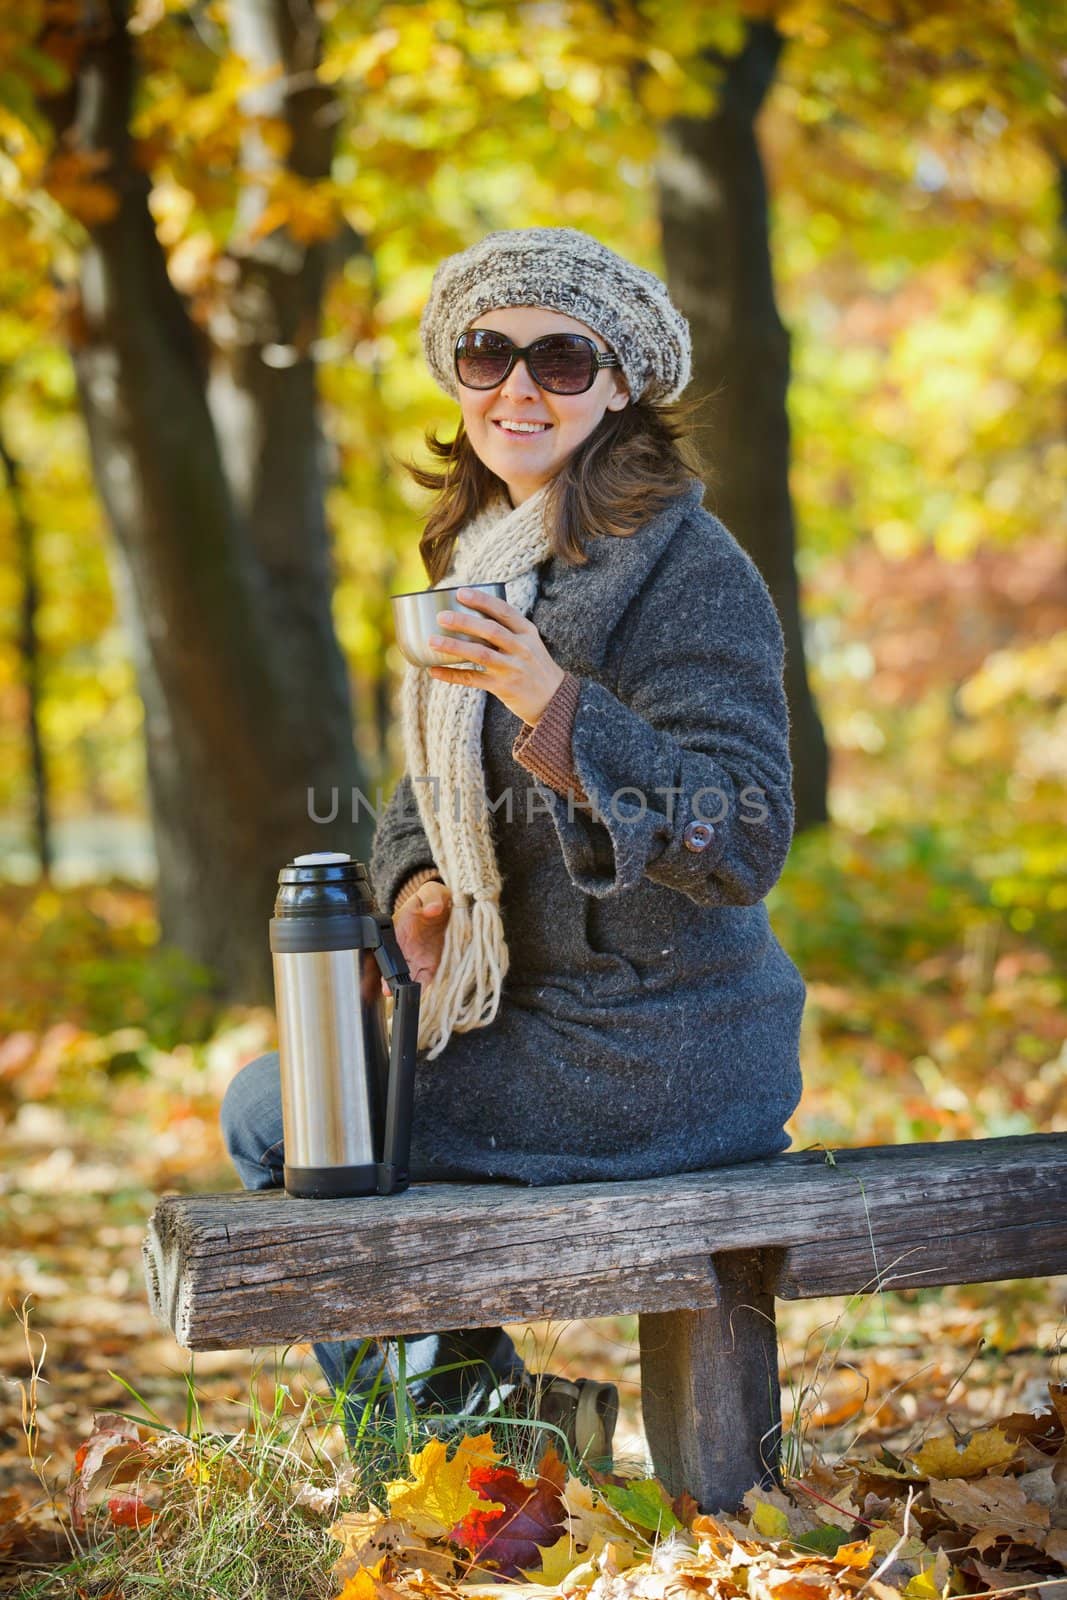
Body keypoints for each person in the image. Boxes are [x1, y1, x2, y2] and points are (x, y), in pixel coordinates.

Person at [221, 226, 806, 1465]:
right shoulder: (489, 554)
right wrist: (419, 882)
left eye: (560, 358)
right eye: (488, 355)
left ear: (618, 385)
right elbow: (420, 791)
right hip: (537, 1021)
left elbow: (744, 833)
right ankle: (500, 1438)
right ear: (458, 380)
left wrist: (557, 709)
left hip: (660, 1048)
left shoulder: (689, 566)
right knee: (301, 1107)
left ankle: (479, 1459)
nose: (518, 388)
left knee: (288, 1115)